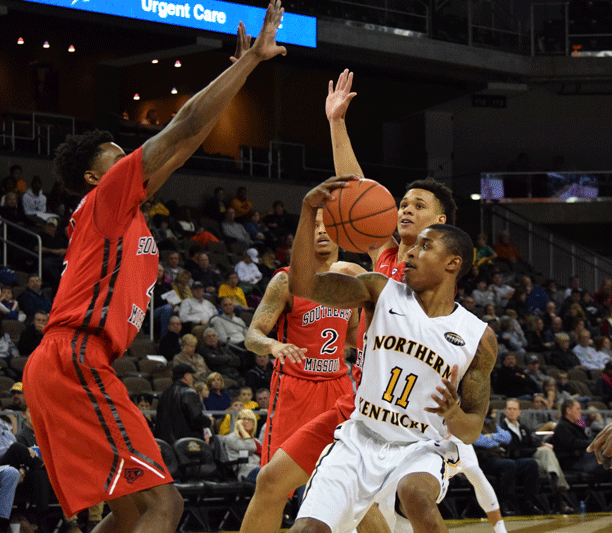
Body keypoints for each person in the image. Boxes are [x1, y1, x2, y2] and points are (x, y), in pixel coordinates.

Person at [24, 9, 289, 520]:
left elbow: (187, 140)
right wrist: (250, 63)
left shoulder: (124, 215)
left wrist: (238, 76)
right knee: (164, 505)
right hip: (72, 358)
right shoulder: (106, 199)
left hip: (69, 361)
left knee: (128, 515)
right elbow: (183, 124)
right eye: (116, 154)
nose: (129, 158)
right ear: (92, 174)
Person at [240, 71, 458, 533]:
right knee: (272, 482)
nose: (403, 208)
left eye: (417, 205)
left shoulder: (439, 270)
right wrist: (337, 123)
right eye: (401, 202)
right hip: (358, 405)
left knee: (395, 507)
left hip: (408, 419)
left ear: (440, 223)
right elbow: (357, 192)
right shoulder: (386, 259)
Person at [284, 175, 496, 533]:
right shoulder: (379, 290)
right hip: (360, 438)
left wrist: (455, 414)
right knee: (307, 529)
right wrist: (308, 211)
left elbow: (473, 428)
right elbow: (303, 284)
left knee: (414, 493)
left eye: (425, 247)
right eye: (412, 247)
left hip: (421, 447)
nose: (410, 252)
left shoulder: (478, 337)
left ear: (452, 263)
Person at [244, 207, 361, 464]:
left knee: (343, 473)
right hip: (295, 385)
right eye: (314, 225)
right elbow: (252, 335)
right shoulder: (287, 280)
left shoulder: (352, 282)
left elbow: (350, 334)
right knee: (273, 477)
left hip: (338, 386)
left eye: (327, 224)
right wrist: (273, 345)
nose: (320, 230)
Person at [552, 400, 612, 511]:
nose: (581, 411)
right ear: (568, 411)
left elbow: (586, 439)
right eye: (578, 409)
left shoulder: (578, 425)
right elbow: (573, 444)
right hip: (574, 462)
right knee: (609, 448)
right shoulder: (562, 427)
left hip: (585, 458)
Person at [500, 399, 571, 512]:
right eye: (509, 409)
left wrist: (542, 445)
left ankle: (557, 486)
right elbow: (514, 452)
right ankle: (560, 498)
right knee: (545, 458)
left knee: (547, 452)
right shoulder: (502, 429)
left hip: (529, 459)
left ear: (519, 412)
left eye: (514, 409)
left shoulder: (522, 428)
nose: (512, 411)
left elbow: (533, 442)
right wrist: (536, 449)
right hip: (514, 461)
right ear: (505, 411)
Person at [154, 364, 210, 445]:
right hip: (186, 443)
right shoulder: (189, 392)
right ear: (186, 376)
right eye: (191, 375)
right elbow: (196, 417)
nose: (192, 379)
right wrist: (208, 421)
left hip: (166, 443)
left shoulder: (165, 393)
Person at [223, 408, 262, 482]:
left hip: (259, 468)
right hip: (245, 471)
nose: (246, 422)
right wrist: (241, 429)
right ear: (238, 422)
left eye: (249, 419)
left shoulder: (256, 441)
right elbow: (251, 447)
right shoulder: (231, 438)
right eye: (243, 419)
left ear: (254, 423)